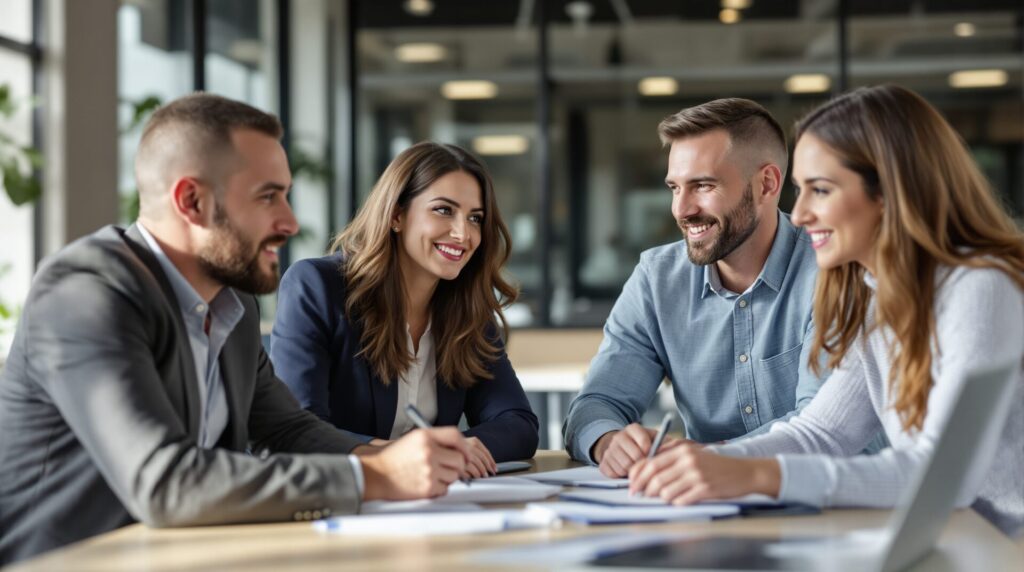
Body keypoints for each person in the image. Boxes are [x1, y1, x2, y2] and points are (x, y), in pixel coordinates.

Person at [0, 94, 474, 564]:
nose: (290, 222)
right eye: (268, 196)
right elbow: (164, 482)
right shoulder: (84, 292)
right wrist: (376, 477)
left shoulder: (232, 303)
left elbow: (288, 429)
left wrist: (392, 455)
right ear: (192, 201)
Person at [628, 85, 1024, 537]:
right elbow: (823, 434)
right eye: (801, 190)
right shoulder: (881, 297)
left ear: (890, 192)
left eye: (820, 190)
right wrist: (704, 461)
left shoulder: (980, 286)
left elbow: (944, 474)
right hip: (953, 539)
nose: (798, 214)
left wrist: (760, 475)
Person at [563, 98, 852, 477]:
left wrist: (712, 459)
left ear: (766, 184)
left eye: (702, 185)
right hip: (702, 500)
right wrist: (609, 441)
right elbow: (596, 404)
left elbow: (823, 429)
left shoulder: (832, 271)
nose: (682, 209)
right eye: (674, 187)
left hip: (833, 500)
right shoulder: (656, 280)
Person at [270, 142, 538, 475]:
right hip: (338, 496)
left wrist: (448, 450)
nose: (463, 233)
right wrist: (406, 455)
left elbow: (518, 424)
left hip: (432, 500)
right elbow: (295, 431)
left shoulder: (467, 309)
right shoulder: (316, 286)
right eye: (444, 210)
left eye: (475, 218)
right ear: (397, 215)